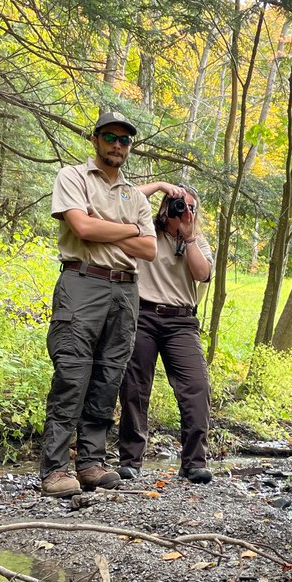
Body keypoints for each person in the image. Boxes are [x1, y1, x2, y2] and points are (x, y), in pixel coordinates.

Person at [39, 110, 158, 497]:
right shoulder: (72, 176)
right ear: (95, 139)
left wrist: (103, 227)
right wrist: (127, 230)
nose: (118, 145)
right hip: (81, 282)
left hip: (125, 292)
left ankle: (91, 462)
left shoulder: (134, 194)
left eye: (125, 140)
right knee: (72, 374)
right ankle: (55, 469)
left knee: (109, 378)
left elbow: (150, 248)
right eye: (111, 137)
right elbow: (83, 228)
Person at [116, 182, 214, 484]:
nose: (183, 210)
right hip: (143, 314)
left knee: (197, 388)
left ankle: (194, 462)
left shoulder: (198, 241)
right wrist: (160, 186)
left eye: (190, 207)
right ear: (164, 206)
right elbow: (125, 201)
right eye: (178, 204)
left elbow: (203, 274)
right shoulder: (146, 231)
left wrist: (189, 237)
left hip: (182, 322)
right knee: (134, 388)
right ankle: (130, 460)